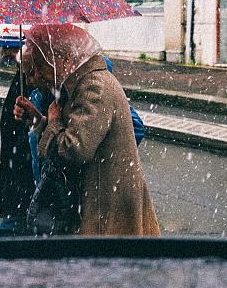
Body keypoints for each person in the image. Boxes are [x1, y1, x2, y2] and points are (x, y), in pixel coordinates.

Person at [16, 23, 160, 236]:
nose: (33, 79)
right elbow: (72, 134)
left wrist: (53, 124)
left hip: (106, 208)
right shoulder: (76, 85)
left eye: (39, 67)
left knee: (103, 266)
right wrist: (39, 121)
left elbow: (75, 149)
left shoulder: (94, 86)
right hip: (95, 203)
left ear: (63, 60)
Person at [0, 22, 42, 237]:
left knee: (7, 241)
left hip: (24, 183)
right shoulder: (22, 77)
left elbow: (34, 135)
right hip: (18, 180)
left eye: (9, 52)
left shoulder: (34, 81)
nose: (5, 55)